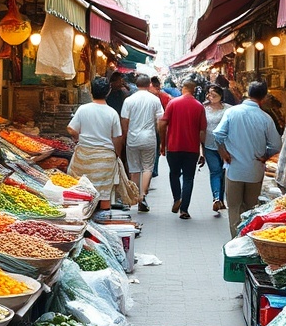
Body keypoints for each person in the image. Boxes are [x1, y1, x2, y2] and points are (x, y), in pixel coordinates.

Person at [215, 80, 282, 236]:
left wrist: (222, 152)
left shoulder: (232, 112)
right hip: (254, 170)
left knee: (234, 208)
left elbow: (218, 135)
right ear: (264, 98)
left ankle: (235, 242)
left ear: (247, 93)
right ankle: (247, 239)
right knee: (251, 208)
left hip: (234, 169)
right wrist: (265, 155)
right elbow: (276, 144)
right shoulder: (265, 118)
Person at [66, 76, 124, 211]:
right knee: (104, 195)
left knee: (80, 191)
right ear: (108, 92)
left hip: (84, 156)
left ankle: (82, 218)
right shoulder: (112, 113)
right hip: (105, 158)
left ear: (91, 91)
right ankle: (103, 223)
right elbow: (117, 137)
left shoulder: (83, 109)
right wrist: (117, 155)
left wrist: (77, 138)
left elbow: (71, 128)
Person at [158, 78, 207, 220]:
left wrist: (163, 143)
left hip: (174, 146)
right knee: (188, 178)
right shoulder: (199, 106)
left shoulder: (173, 103)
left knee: (174, 174)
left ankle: (176, 198)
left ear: (182, 87)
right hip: (192, 148)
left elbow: (162, 124)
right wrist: (202, 150)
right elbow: (202, 131)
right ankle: (184, 209)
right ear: (194, 89)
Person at [119, 74, 163, 213]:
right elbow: (160, 120)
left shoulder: (129, 100)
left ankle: (135, 196)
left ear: (136, 84)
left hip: (133, 138)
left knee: (134, 169)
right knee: (148, 167)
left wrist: (125, 135)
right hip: (149, 138)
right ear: (149, 84)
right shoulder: (155, 100)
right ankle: (142, 196)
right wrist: (160, 137)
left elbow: (124, 120)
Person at [201, 85, 232, 217]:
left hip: (226, 146)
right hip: (209, 145)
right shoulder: (203, 109)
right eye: (209, 94)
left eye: (214, 95)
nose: (211, 97)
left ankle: (222, 199)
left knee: (224, 172)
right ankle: (216, 198)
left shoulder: (229, 109)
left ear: (221, 95)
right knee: (215, 171)